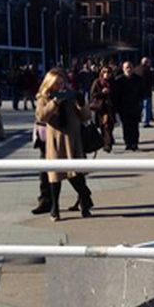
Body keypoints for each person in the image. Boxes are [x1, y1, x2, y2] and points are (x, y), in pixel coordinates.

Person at [35, 69, 94, 221]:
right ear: (49, 84)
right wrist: (54, 102)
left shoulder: (70, 94)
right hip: (55, 142)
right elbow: (42, 116)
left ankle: (84, 201)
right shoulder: (44, 98)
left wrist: (81, 103)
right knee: (55, 176)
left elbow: (85, 116)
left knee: (77, 175)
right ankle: (55, 207)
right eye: (56, 84)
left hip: (73, 140)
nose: (60, 87)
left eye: (62, 83)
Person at [114, 61, 144, 151]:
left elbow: (142, 91)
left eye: (130, 67)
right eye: (126, 67)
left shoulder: (138, 79)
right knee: (126, 126)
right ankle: (128, 143)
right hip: (123, 107)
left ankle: (134, 143)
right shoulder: (119, 80)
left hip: (135, 106)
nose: (129, 69)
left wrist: (140, 101)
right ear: (123, 69)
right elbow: (116, 94)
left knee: (134, 126)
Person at [89, 66, 116, 153]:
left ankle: (108, 141)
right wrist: (102, 93)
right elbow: (93, 94)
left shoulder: (113, 82)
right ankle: (107, 144)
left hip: (111, 108)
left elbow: (118, 93)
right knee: (104, 126)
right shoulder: (97, 82)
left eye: (108, 72)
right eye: (105, 72)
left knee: (109, 125)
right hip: (101, 108)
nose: (107, 74)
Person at [136, 56, 154, 128]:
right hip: (146, 91)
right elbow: (149, 81)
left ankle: (139, 119)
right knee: (146, 107)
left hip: (138, 91)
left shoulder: (136, 69)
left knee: (140, 107)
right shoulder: (147, 70)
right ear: (146, 63)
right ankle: (146, 121)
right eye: (149, 62)